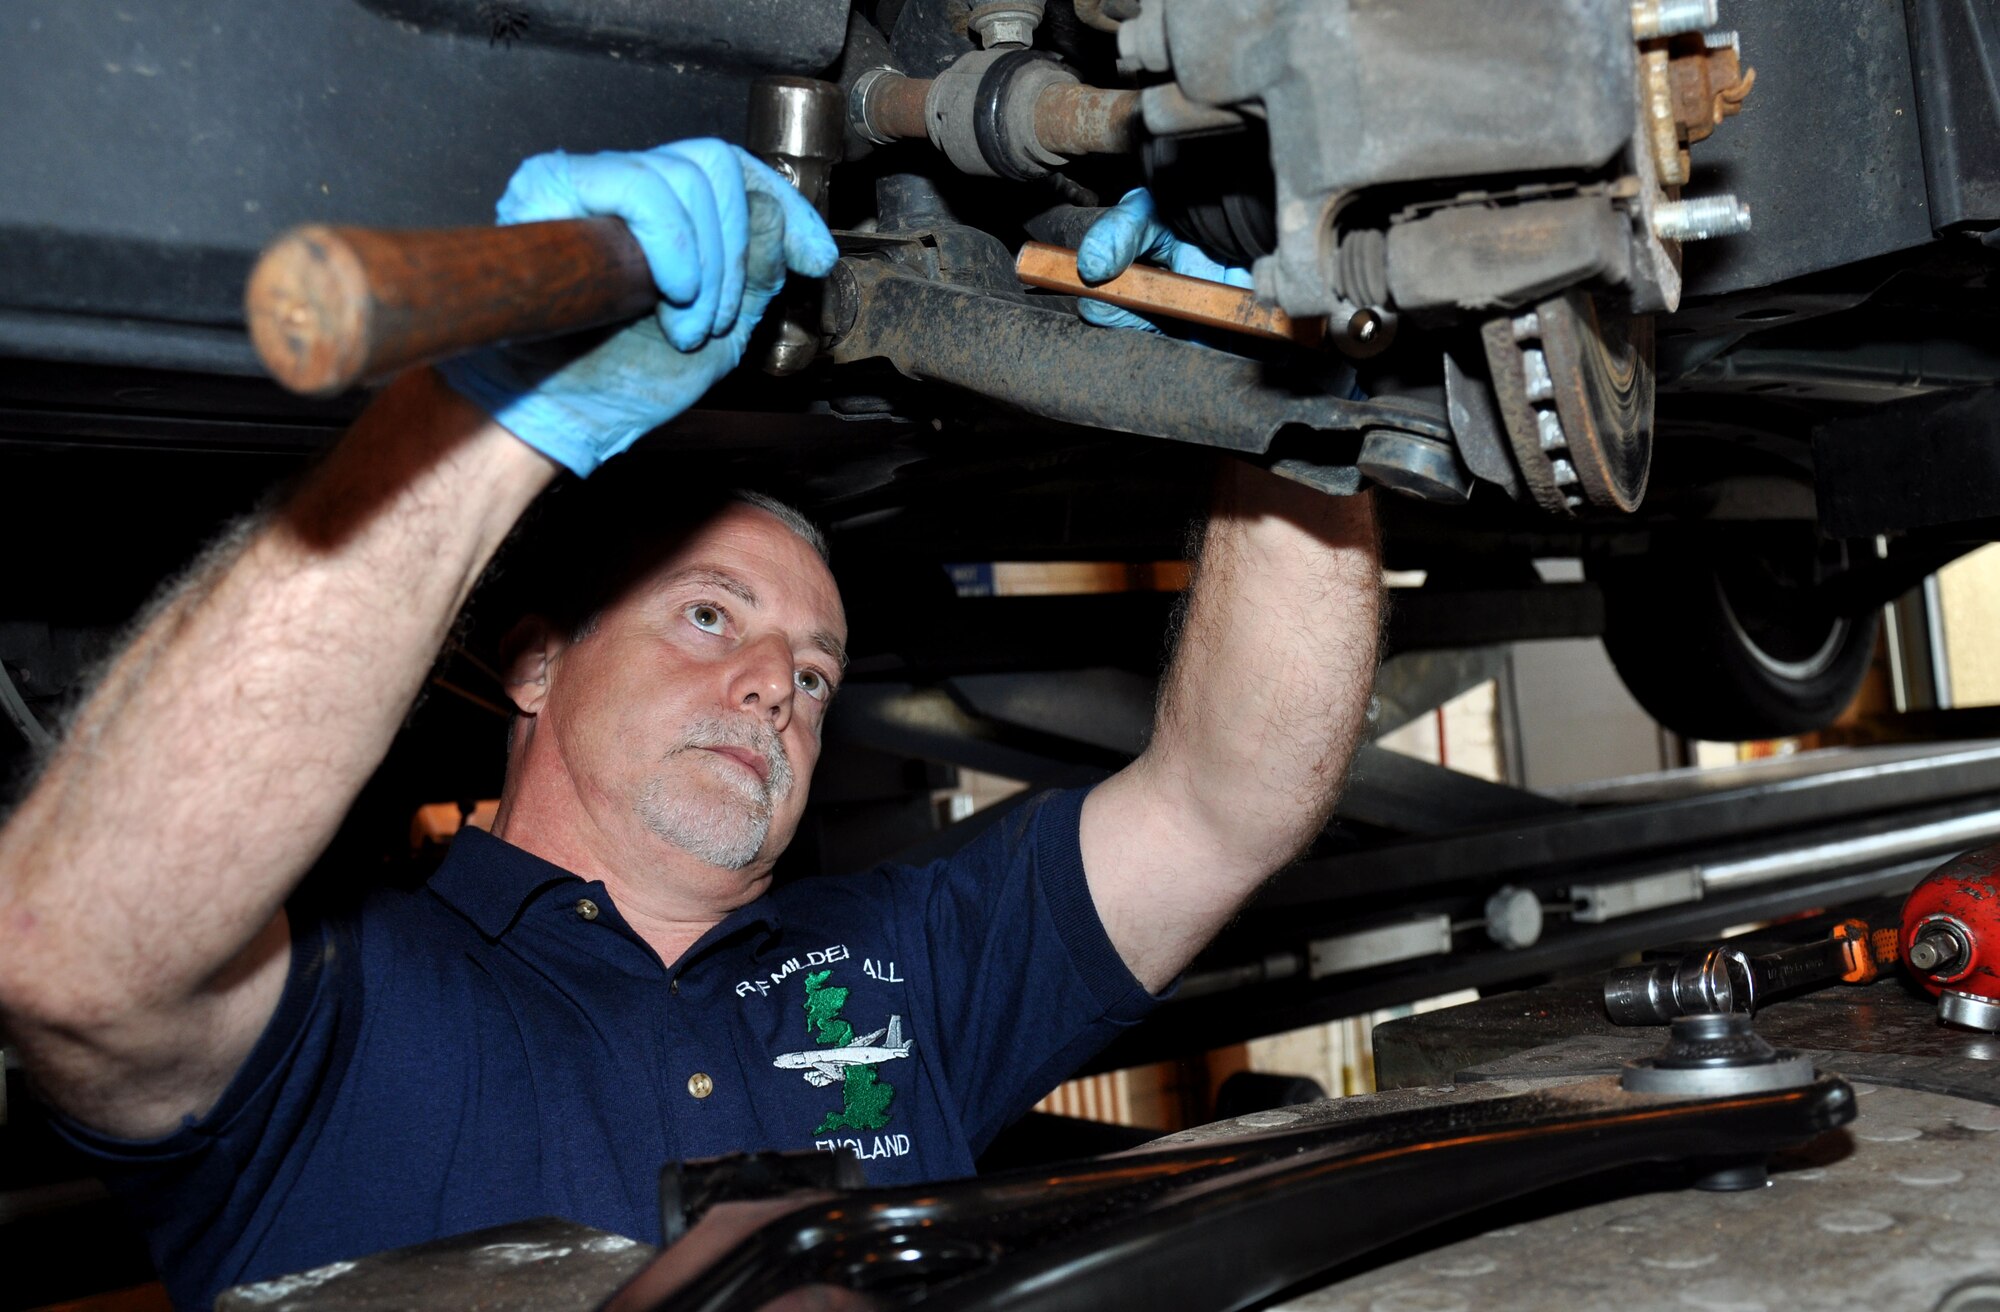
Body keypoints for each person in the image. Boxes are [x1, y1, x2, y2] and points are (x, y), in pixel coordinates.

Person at [0, 142, 1380, 1308]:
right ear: (534, 667)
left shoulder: (902, 966)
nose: (780, 684)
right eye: (711, 617)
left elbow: (1233, 801)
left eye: (818, 671)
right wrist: (484, 420)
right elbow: (73, 953)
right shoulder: (352, 1010)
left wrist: (1285, 395)